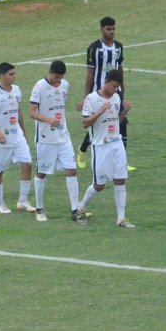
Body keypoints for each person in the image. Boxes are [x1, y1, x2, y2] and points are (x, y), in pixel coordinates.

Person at [27, 60, 86, 224]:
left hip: (63, 136)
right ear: (50, 72)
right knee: (42, 173)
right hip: (45, 139)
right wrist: (48, 120)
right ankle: (39, 208)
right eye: (56, 77)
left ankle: (75, 210)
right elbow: (31, 112)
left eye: (61, 78)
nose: (58, 81)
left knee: (72, 170)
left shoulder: (64, 85)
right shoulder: (39, 87)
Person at [76, 70, 134, 228]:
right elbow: (85, 123)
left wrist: (125, 111)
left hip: (116, 143)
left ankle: (121, 219)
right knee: (99, 185)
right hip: (100, 146)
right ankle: (80, 208)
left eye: (118, 87)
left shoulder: (116, 97)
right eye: (114, 86)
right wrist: (100, 111)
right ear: (106, 81)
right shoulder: (92, 99)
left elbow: (116, 121)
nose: (116, 90)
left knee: (120, 180)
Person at [0, 62, 36, 216]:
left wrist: (24, 133)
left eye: (14, 74)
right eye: (10, 74)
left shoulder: (17, 90)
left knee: (27, 164)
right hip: (1, 139)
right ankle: (0, 204)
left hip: (17, 136)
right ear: (2, 76)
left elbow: (17, 111)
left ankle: (23, 201)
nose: (14, 77)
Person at [77, 16, 126, 169]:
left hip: (116, 91)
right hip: (98, 92)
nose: (111, 32)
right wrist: (86, 97)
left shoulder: (118, 47)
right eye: (108, 29)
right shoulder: (94, 48)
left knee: (121, 121)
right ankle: (82, 150)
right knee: (98, 124)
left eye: (113, 29)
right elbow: (89, 73)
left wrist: (122, 89)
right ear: (101, 29)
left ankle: (122, 159)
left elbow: (120, 68)